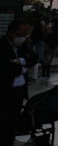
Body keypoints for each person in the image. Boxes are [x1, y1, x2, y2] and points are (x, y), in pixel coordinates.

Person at [2, 18, 37, 146]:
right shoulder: (3, 46)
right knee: (5, 120)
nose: (23, 38)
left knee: (13, 120)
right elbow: (7, 67)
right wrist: (23, 67)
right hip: (6, 91)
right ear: (12, 33)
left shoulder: (22, 47)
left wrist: (21, 62)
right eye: (21, 35)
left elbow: (34, 58)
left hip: (19, 92)